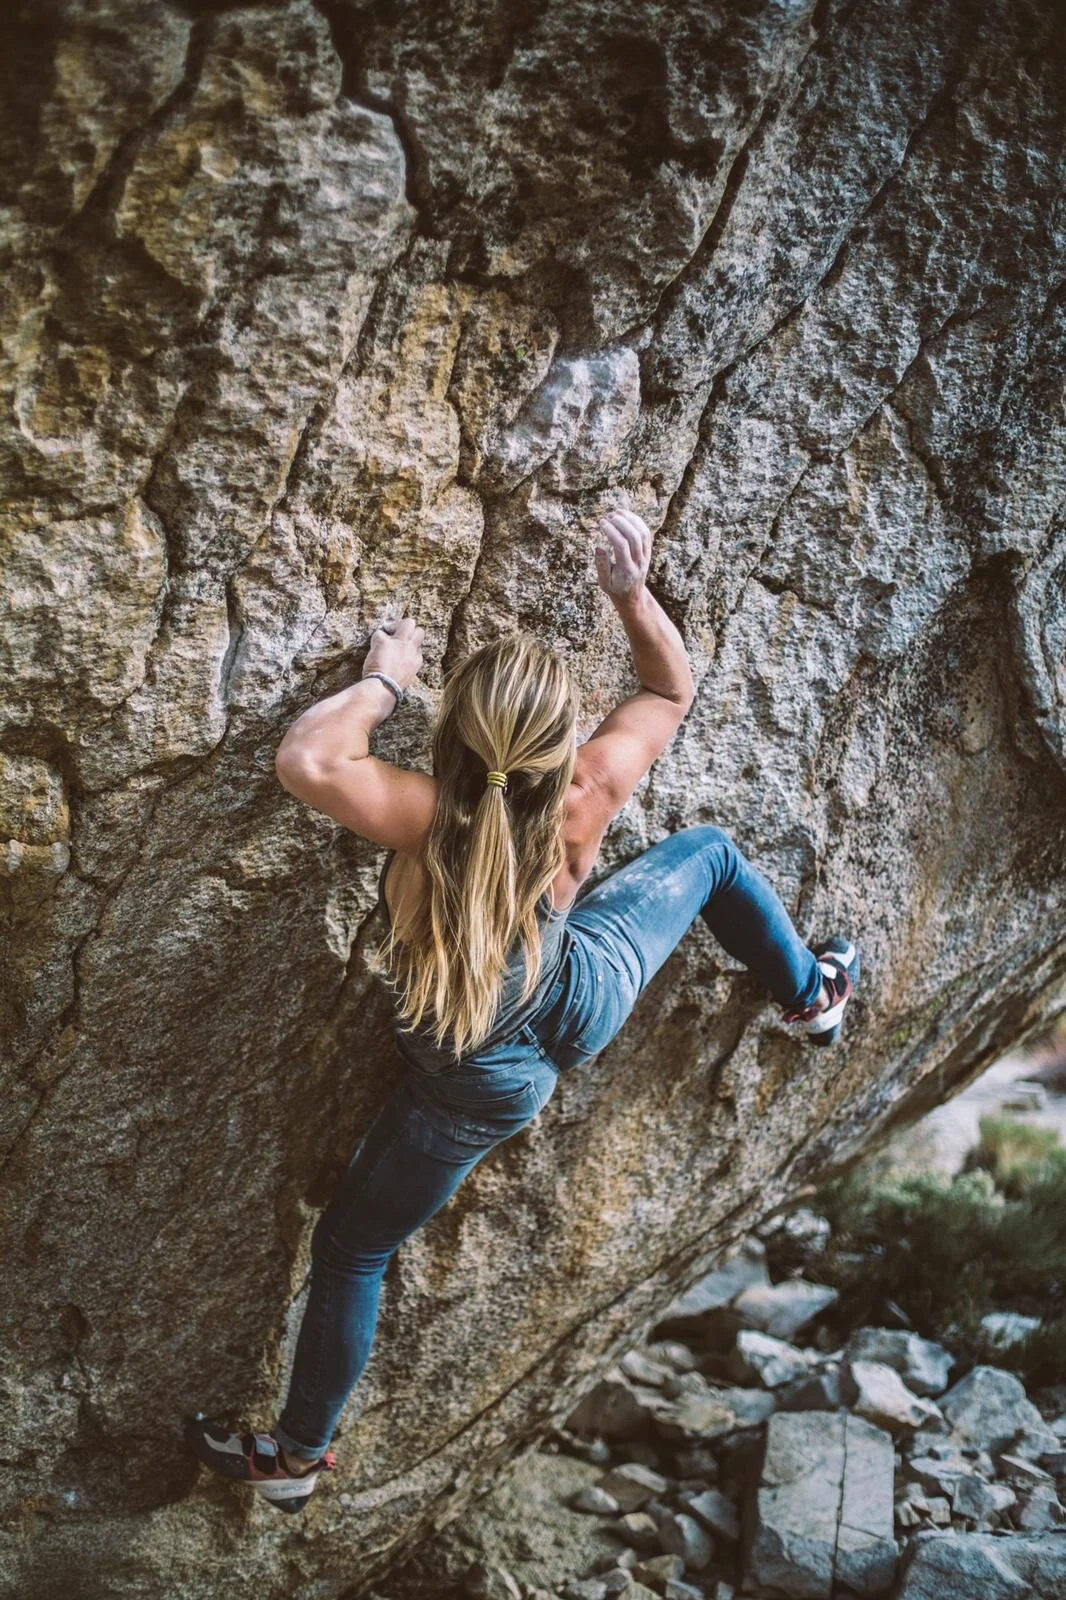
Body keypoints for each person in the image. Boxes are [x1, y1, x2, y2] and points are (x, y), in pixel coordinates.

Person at [184, 509, 859, 1511]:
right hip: (580, 995)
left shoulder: (427, 815)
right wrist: (631, 595)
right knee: (710, 854)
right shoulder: (584, 792)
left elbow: (308, 761)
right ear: (556, 745)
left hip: (476, 1070)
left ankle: (296, 1457)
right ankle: (811, 996)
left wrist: (384, 676)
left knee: (353, 1249)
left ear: (456, 738)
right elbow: (669, 686)